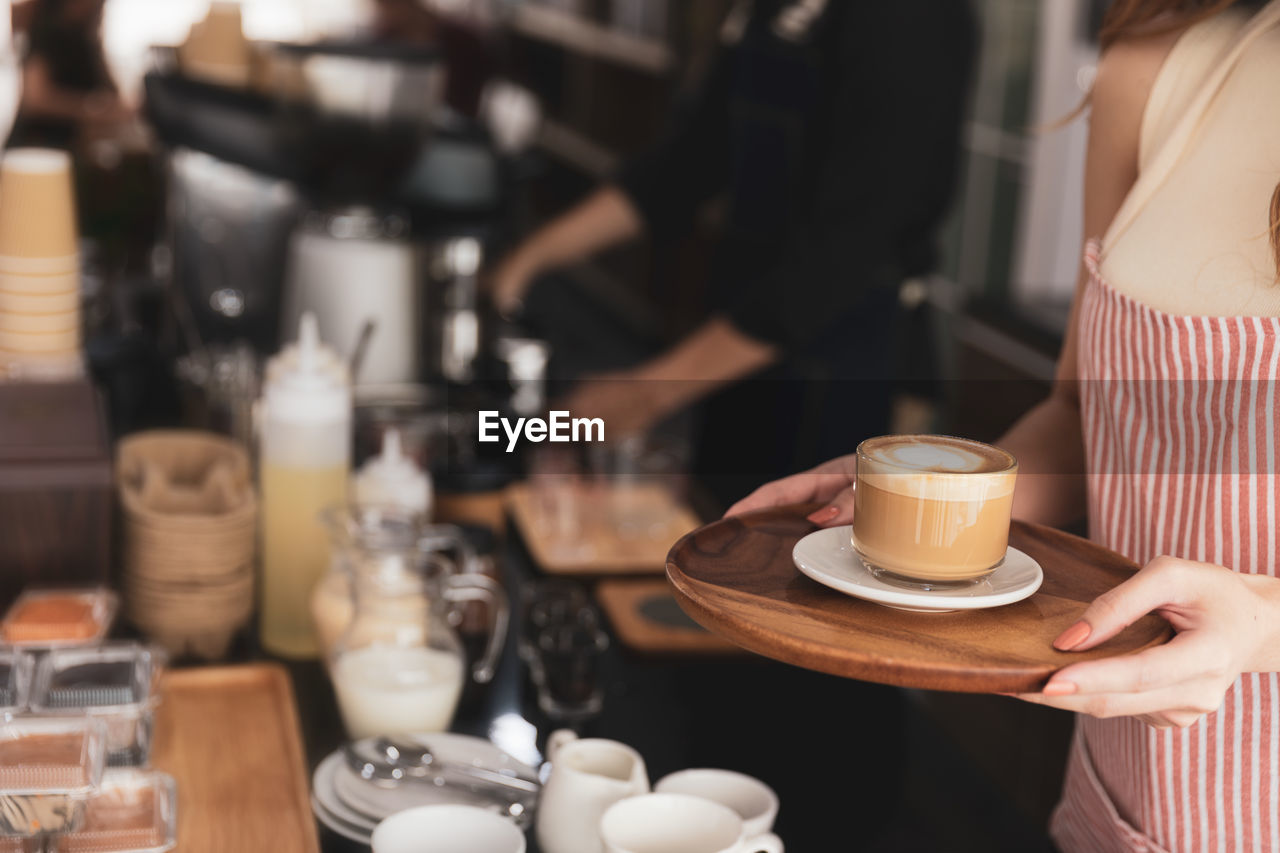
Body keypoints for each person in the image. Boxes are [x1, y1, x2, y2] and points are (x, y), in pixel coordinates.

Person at [729, 0, 1280, 849]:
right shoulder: (1160, 64)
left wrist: (1262, 627)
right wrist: (945, 499)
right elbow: (1081, 414)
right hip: (1124, 803)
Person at [489, 0, 975, 502]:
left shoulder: (913, 17)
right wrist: (527, 261)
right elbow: (687, 161)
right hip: (739, 340)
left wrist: (648, 392)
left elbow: (843, 253)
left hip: (850, 365)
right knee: (724, 532)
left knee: (800, 556)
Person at [10, 0, 130, 150]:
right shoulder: (47, 34)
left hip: (75, 147)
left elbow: (112, 95)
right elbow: (36, 99)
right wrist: (91, 111)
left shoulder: (86, 40)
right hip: (38, 148)